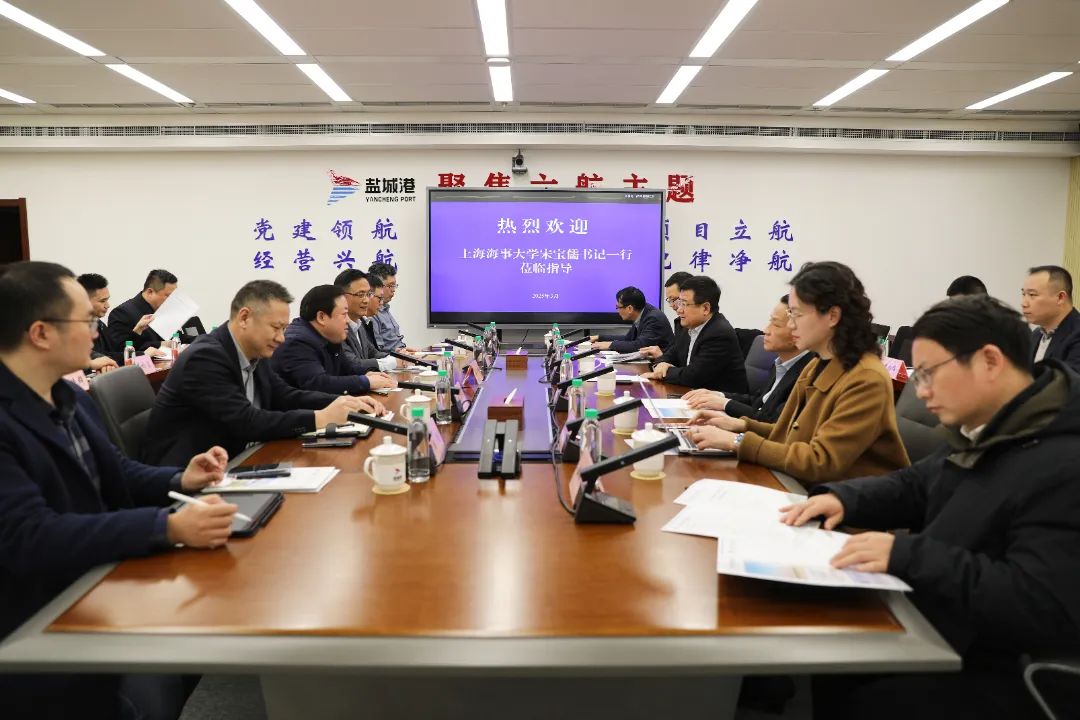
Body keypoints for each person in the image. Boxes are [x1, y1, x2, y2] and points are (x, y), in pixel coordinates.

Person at [781, 294, 1080, 719]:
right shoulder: (992, 425)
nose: (921, 392)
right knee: (824, 649)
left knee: (856, 687)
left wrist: (906, 554)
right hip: (939, 618)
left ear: (989, 361)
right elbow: (917, 485)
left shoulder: (1063, 460)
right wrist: (842, 498)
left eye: (928, 374)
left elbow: (1037, 602)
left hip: (996, 664)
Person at [0, 261, 238, 719]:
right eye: (87, 321)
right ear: (40, 333)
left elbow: (118, 471)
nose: (97, 332)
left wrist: (180, 479)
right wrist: (166, 526)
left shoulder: (70, 396)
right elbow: (30, 536)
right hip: (41, 617)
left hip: (100, 579)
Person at [687, 261, 909, 485]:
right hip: (805, 486)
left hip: (846, 500)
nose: (791, 325)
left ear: (832, 315)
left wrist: (737, 441)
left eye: (796, 314)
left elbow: (820, 462)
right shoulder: (816, 365)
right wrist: (741, 425)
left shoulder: (866, 378)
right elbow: (790, 432)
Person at [143, 280, 384, 466]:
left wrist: (343, 402)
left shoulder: (257, 352)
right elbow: (247, 421)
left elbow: (285, 396)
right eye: (276, 328)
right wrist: (319, 418)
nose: (281, 338)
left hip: (242, 457)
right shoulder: (206, 357)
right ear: (244, 318)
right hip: (191, 475)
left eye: (284, 329)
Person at [683, 294, 814, 423]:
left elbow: (773, 421)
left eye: (776, 324)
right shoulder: (780, 363)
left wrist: (725, 404)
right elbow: (758, 402)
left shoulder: (808, 374)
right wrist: (718, 395)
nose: (766, 330)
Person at [272, 284, 397, 395]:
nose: (348, 321)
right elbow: (318, 384)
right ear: (322, 317)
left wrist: (367, 375)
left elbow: (348, 368)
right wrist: (365, 381)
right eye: (344, 314)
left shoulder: (329, 336)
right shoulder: (298, 342)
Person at [639, 275, 748, 392]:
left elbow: (693, 377)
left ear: (705, 308)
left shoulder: (719, 333)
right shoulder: (688, 326)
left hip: (718, 399)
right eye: (679, 303)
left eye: (684, 304)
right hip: (692, 393)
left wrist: (664, 372)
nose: (679, 310)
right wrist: (660, 364)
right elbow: (670, 355)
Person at [335, 269, 402, 373]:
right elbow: (353, 365)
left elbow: (373, 353)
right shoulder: (336, 327)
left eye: (368, 294)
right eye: (361, 294)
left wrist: (400, 358)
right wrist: (393, 362)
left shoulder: (359, 323)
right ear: (342, 296)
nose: (366, 300)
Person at [1022, 264, 1080, 372]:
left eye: (1032, 295)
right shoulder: (1036, 335)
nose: (1024, 303)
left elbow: (1070, 380)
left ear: (1060, 297)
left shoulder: (1076, 334)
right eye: (1023, 294)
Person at [105, 268, 177, 355]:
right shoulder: (121, 313)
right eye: (168, 296)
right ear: (150, 292)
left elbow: (175, 338)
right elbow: (120, 350)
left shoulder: (165, 310)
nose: (172, 300)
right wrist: (159, 344)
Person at [589, 286, 674, 353]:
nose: (618, 311)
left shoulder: (653, 318)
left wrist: (609, 345)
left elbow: (639, 346)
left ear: (630, 308)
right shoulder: (642, 312)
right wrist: (599, 337)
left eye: (618, 307)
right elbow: (628, 338)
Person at [76, 273, 122, 373]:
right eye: (102, 301)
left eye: (107, 300)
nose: (107, 305)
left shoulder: (98, 323)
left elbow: (112, 353)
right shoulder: (71, 328)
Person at [367, 261, 408, 352]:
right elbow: (378, 350)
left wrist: (407, 352)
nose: (393, 290)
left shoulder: (385, 308)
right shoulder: (372, 312)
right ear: (378, 285)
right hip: (390, 358)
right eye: (390, 286)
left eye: (394, 285)